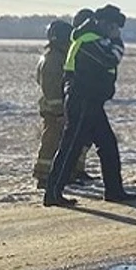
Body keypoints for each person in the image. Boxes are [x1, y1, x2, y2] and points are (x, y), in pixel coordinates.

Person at [44, 4, 133, 206]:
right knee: (71, 146)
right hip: (83, 100)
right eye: (113, 26)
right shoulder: (88, 41)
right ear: (102, 23)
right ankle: (53, 193)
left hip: (91, 101)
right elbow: (111, 59)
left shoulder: (93, 39)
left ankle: (114, 190)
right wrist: (117, 40)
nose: (115, 30)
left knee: (108, 144)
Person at [32, 17, 86, 187]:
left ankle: (63, 173)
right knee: (51, 142)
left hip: (61, 109)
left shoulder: (59, 56)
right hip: (54, 111)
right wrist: (59, 112)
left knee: (63, 142)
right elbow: (52, 89)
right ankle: (44, 177)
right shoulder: (53, 60)